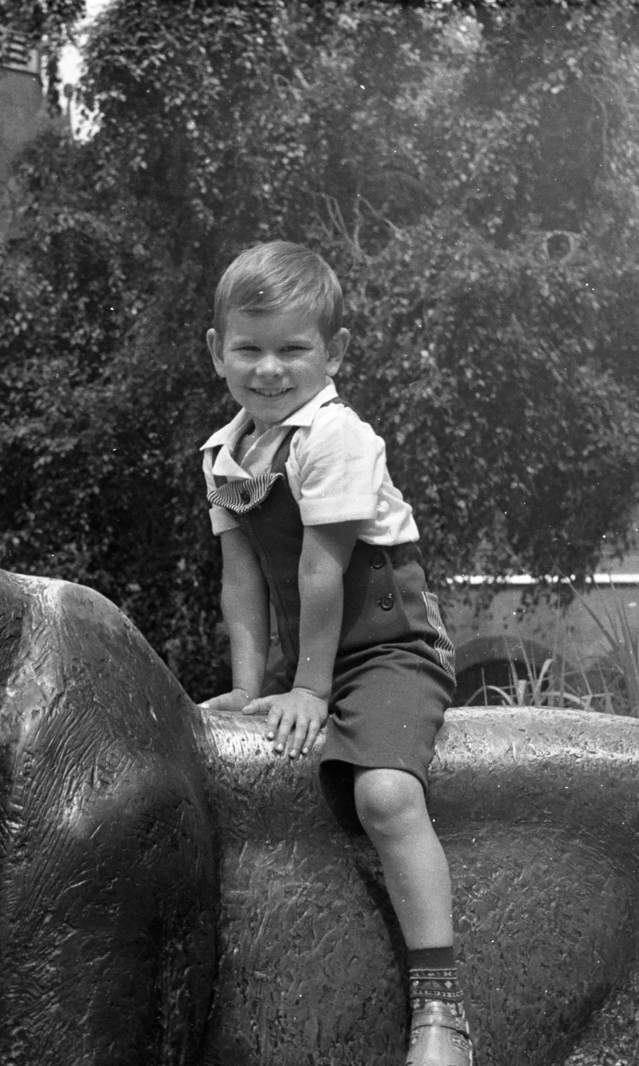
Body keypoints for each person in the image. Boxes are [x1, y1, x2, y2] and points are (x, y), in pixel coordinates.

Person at [197, 242, 468, 1066]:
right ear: (217, 352)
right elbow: (242, 580)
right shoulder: (226, 455)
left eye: (293, 349)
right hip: (312, 659)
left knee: (385, 796)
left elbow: (323, 569)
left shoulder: (337, 437)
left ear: (334, 354)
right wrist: (252, 690)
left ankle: (442, 1006)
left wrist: (311, 689)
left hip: (388, 652)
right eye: (249, 348)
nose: (270, 369)